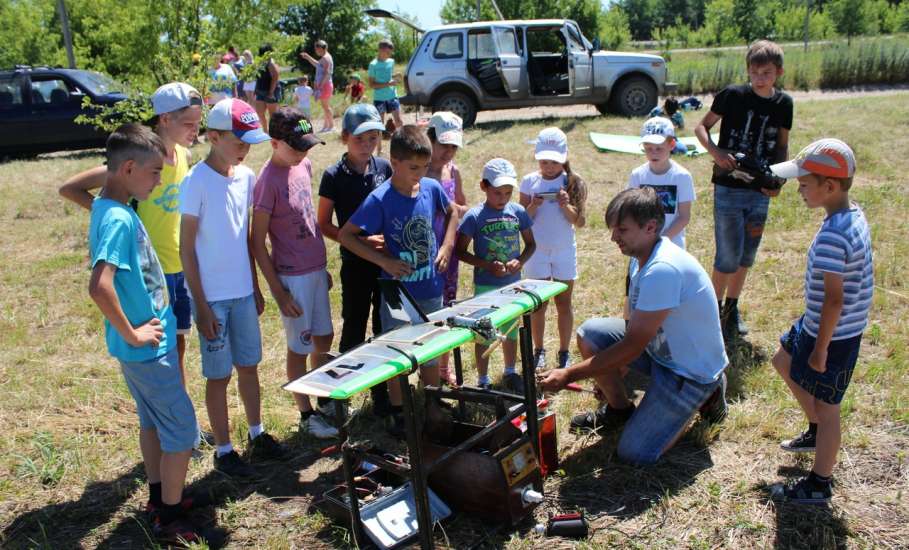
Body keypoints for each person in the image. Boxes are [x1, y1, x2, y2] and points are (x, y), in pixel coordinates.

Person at [538, 187, 729, 465]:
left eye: (622, 230)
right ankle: (620, 410)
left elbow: (632, 345)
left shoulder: (663, 269)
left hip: (689, 371)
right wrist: (610, 371)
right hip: (660, 351)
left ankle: (707, 394)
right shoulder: (641, 257)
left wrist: (568, 375)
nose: (614, 237)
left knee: (636, 454)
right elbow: (632, 328)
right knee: (591, 334)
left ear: (650, 227)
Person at [59, 83, 205, 421]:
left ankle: (180, 422)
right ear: (165, 119)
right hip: (148, 277)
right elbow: (70, 188)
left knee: (177, 349)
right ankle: (175, 425)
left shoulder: (184, 156)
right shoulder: (139, 159)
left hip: (178, 266)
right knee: (161, 353)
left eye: (198, 125)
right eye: (189, 125)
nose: (195, 133)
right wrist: (117, 218)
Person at [86, 124, 202, 543]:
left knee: (153, 425)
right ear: (129, 168)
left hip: (140, 352)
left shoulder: (107, 206)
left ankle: (158, 496)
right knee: (183, 431)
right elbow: (100, 285)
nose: (158, 180)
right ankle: (169, 518)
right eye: (154, 172)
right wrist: (135, 333)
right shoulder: (118, 217)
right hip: (150, 350)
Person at [180, 98, 286, 478]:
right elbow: (186, 249)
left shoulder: (246, 178)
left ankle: (257, 434)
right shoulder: (196, 182)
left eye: (248, 143)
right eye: (238, 142)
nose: (244, 150)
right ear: (213, 136)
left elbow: (244, 238)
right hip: (212, 300)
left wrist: (255, 285)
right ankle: (224, 450)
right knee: (218, 374)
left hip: (242, 293)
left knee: (249, 366)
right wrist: (202, 305)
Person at [767, 139, 873, 504]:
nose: (798, 189)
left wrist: (822, 349)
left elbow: (835, 299)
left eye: (804, 184)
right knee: (782, 360)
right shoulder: (851, 214)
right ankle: (815, 429)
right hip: (816, 323)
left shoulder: (833, 234)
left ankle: (820, 482)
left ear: (829, 187)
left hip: (833, 335)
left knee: (830, 409)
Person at [338, 125, 459, 437]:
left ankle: (432, 401)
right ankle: (399, 411)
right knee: (397, 356)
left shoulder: (431, 188)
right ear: (395, 162)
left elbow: (453, 213)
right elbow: (346, 235)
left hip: (430, 286)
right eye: (413, 168)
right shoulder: (380, 199)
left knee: (430, 348)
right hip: (396, 293)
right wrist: (384, 261)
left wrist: (446, 245)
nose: (419, 174)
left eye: (423, 167)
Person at [694, 39, 792, 340]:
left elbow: (783, 145)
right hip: (728, 186)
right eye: (754, 71)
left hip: (760, 191)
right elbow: (702, 126)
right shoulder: (732, 95)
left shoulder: (784, 104)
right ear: (748, 70)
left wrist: (778, 182)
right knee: (726, 255)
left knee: (746, 255)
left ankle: (731, 309)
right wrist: (715, 152)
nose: (760, 78)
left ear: (778, 72)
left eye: (766, 72)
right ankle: (711, 309)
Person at [251, 107, 338, 440]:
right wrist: (278, 292)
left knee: (323, 337)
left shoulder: (303, 164)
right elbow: (257, 242)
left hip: (315, 271)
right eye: (296, 146)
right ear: (274, 143)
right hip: (293, 277)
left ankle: (323, 395)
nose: (303, 152)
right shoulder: (266, 181)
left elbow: (307, 219)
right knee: (299, 346)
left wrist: (323, 266)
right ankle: (306, 414)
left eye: (306, 146)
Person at [316, 104, 392, 415]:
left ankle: (382, 395)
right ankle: (339, 396)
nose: (367, 145)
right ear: (345, 138)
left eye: (373, 138)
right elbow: (324, 224)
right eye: (360, 139)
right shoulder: (333, 176)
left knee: (384, 327)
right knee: (354, 327)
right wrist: (359, 241)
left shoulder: (384, 168)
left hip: (385, 263)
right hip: (355, 264)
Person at [455, 158, 535, 393]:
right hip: (486, 286)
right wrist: (486, 265)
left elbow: (531, 244)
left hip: (512, 285)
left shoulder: (518, 211)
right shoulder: (474, 216)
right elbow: (460, 252)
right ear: (483, 187)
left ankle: (510, 372)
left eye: (508, 193)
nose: (503, 198)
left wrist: (518, 261)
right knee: (484, 333)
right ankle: (483, 379)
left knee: (510, 329)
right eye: (497, 193)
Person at [519, 127, 587, 370]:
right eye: (544, 161)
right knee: (539, 304)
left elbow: (579, 221)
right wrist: (533, 206)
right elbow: (521, 220)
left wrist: (565, 205)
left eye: (554, 162)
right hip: (536, 251)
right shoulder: (529, 181)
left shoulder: (572, 182)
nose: (548, 166)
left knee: (563, 302)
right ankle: (539, 350)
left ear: (564, 158)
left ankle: (564, 351)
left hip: (563, 250)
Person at [426, 111, 468, 385]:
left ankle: (443, 367)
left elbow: (463, 205)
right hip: (424, 248)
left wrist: (455, 209)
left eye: (454, 146)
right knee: (426, 309)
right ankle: (425, 364)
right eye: (443, 145)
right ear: (429, 139)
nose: (448, 152)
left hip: (448, 252)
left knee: (448, 307)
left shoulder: (453, 172)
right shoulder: (418, 169)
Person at [627, 117, 695, 249]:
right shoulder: (637, 175)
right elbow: (631, 211)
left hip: (672, 245)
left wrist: (662, 240)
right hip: (642, 244)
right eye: (648, 148)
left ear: (672, 145)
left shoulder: (682, 176)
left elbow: (684, 216)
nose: (653, 153)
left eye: (659, 148)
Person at [368, 39, 403, 154]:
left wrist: (395, 76)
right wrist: (388, 83)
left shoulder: (391, 61)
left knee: (399, 121)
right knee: (379, 124)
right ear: (380, 50)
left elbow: (388, 76)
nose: (389, 55)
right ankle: (379, 150)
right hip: (379, 98)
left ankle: (402, 146)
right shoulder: (373, 65)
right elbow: (372, 84)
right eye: (388, 52)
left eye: (390, 53)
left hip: (392, 95)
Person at [300, 40, 334, 133]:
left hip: (325, 86)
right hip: (324, 85)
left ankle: (331, 126)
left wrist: (320, 86)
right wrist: (307, 57)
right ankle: (326, 125)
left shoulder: (326, 58)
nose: (316, 51)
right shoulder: (324, 58)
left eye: (317, 49)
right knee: (325, 107)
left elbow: (328, 74)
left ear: (322, 48)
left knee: (326, 107)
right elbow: (317, 64)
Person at [254, 43, 281, 133]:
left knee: (272, 114)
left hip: (270, 91)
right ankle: (265, 132)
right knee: (259, 112)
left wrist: (271, 92)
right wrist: (255, 89)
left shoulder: (271, 62)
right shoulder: (260, 62)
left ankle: (274, 132)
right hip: (260, 91)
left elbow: (275, 76)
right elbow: (258, 77)